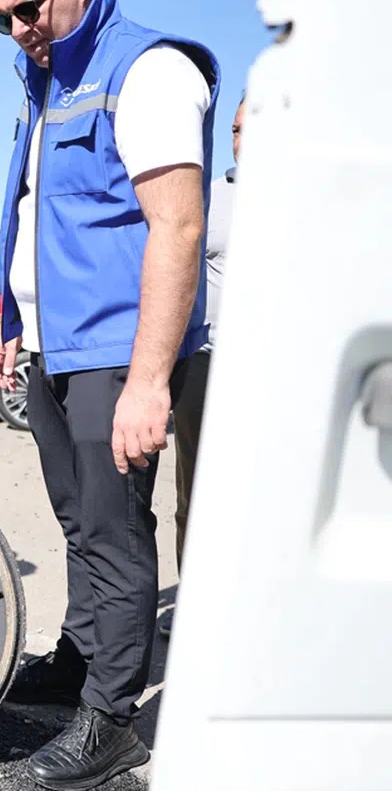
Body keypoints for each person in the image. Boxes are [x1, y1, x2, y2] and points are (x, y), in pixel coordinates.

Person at [0, 0, 220, 788]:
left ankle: (112, 720)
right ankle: (81, 660)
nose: (17, 30)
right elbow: (38, 214)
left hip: (117, 351)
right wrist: (15, 321)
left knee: (118, 534)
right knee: (80, 521)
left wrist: (150, 378)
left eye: (30, 9)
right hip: (53, 347)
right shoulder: (43, 80)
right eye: (2, 17)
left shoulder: (146, 71)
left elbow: (178, 227)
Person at [171, 95, 242, 576]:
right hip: (204, 361)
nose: (241, 138)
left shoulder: (303, 205)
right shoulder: (210, 199)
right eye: (236, 129)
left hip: (270, 370)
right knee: (194, 490)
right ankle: (191, 603)